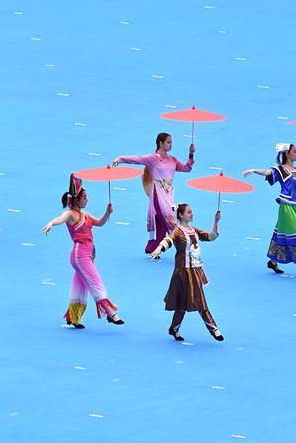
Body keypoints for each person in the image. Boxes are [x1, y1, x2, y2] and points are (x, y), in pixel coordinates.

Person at [41, 174, 124, 329]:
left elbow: (99, 223)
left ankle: (73, 317)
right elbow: (61, 218)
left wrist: (108, 213)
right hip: (80, 256)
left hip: (88, 255)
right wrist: (51, 223)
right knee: (95, 283)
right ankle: (111, 313)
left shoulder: (85, 215)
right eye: (84, 197)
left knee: (80, 287)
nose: (87, 200)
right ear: (77, 200)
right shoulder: (71, 214)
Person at [242, 143, 296, 278]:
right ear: (287, 154)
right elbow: (268, 172)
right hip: (286, 206)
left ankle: (273, 261)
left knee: (281, 232)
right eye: (295, 152)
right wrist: (254, 170)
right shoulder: (280, 169)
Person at [151, 204, 224, 342]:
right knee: (195, 302)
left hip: (194, 271)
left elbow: (211, 237)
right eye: (189, 212)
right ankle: (213, 329)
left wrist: (216, 221)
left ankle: (174, 328)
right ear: (181, 215)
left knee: (186, 303)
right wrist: (159, 248)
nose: (192, 214)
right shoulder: (178, 231)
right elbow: (169, 240)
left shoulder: (194, 230)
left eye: (192, 212)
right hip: (182, 273)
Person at [113, 133, 194, 255]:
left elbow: (187, 169)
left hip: (168, 196)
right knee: (169, 220)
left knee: (160, 222)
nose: (171, 144)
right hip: (158, 196)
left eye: (171, 142)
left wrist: (191, 154)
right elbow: (137, 159)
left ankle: (152, 248)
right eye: (168, 142)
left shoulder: (173, 160)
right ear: (160, 143)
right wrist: (120, 159)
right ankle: (185, 246)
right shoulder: (152, 159)